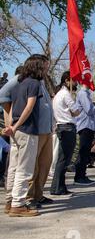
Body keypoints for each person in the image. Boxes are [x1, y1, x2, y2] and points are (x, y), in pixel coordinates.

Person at [4, 54, 47, 217]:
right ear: (38, 66)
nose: (45, 70)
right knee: (25, 168)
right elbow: (28, 108)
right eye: (44, 66)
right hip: (27, 130)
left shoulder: (18, 85)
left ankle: (10, 201)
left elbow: (13, 106)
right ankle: (18, 204)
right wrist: (16, 126)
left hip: (16, 131)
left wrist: (11, 126)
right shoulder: (35, 84)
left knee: (13, 167)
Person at [26, 58, 55, 210]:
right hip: (35, 130)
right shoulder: (27, 82)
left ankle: (39, 194)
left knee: (45, 164)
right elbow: (4, 94)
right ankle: (29, 197)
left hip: (47, 130)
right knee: (33, 165)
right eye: (44, 67)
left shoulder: (42, 83)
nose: (46, 70)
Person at [50, 71, 81, 195]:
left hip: (62, 127)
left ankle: (60, 187)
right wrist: (75, 108)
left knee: (63, 159)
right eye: (74, 81)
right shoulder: (65, 94)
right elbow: (76, 111)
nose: (76, 83)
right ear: (67, 81)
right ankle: (57, 187)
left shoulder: (59, 94)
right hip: (67, 127)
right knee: (64, 160)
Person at [74, 80, 95, 185]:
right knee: (83, 152)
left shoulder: (87, 95)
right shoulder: (83, 94)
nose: (92, 82)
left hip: (88, 126)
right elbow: (89, 110)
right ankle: (79, 176)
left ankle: (82, 175)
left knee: (85, 152)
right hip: (85, 126)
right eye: (90, 80)